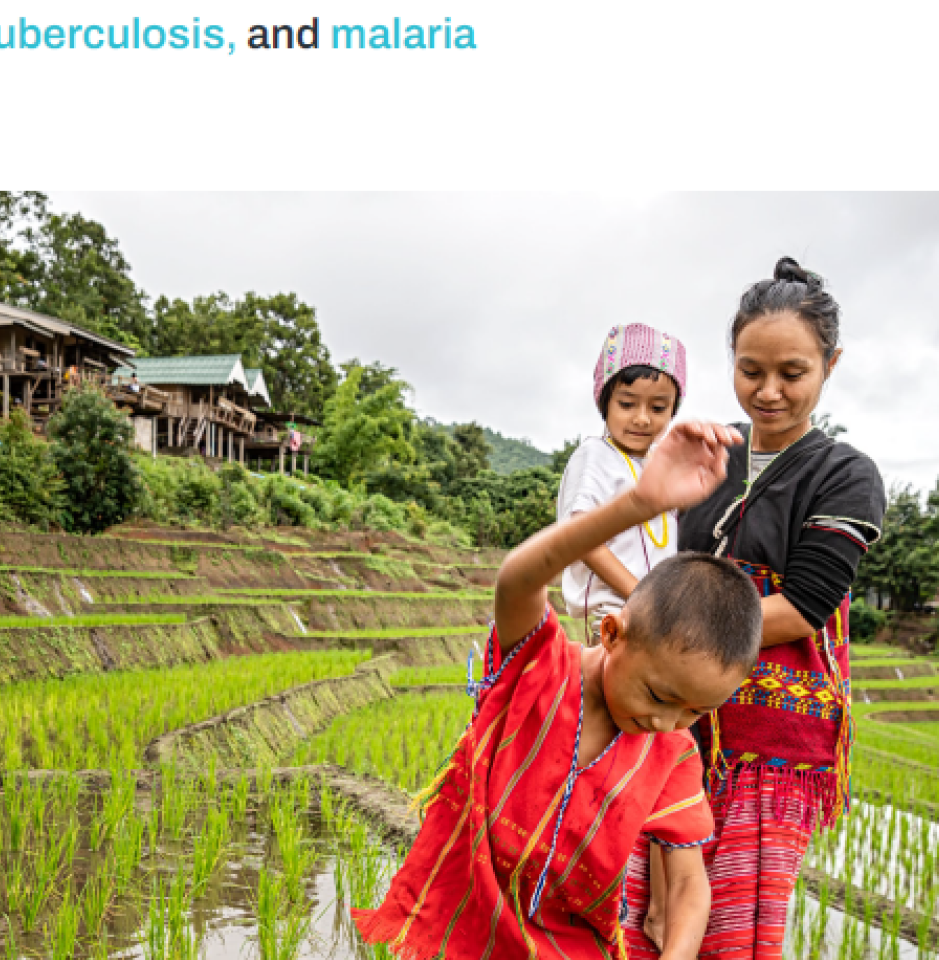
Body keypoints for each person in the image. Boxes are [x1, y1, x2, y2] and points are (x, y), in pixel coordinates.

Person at [354, 421, 762, 960]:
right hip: (461, 929)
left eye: (697, 711)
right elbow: (518, 578)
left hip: (570, 946)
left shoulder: (671, 756)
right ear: (612, 632)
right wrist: (637, 503)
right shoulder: (538, 666)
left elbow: (688, 885)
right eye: (660, 697)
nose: (668, 722)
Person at [624, 259, 886, 959]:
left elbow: (801, 607)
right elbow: (670, 566)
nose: (767, 392)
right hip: (671, 723)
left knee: (733, 935)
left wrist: (663, 646)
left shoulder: (845, 474)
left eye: (792, 373)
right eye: (750, 371)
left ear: (830, 364)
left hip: (767, 747)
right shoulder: (710, 457)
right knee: (639, 921)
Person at [558, 322, 688, 642]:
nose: (642, 418)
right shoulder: (595, 456)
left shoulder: (661, 467)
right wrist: (642, 596)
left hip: (655, 615)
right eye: (627, 404)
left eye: (658, 407)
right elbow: (583, 538)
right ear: (605, 402)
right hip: (614, 616)